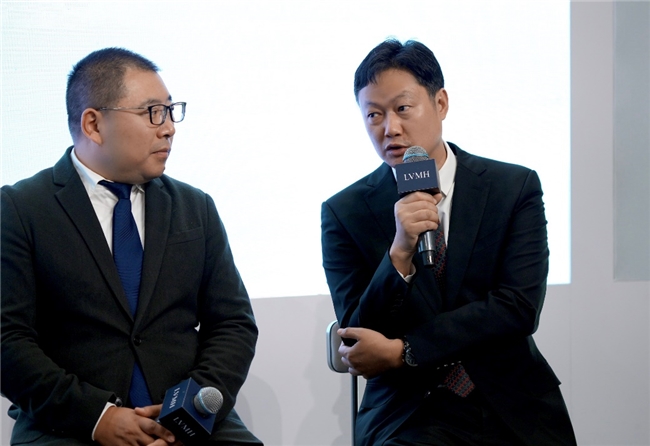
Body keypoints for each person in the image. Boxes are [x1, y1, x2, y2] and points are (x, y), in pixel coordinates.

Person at [321, 39, 577, 445]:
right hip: (407, 411)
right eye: (373, 115)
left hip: (510, 401)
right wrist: (399, 253)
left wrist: (407, 349)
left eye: (403, 108)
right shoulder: (344, 211)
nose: (390, 128)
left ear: (440, 103)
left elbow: (518, 307)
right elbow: (358, 336)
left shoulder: (512, 187)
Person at [1, 48, 262, 445]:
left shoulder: (195, 207)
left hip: (187, 421)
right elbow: (7, 339)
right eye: (152, 112)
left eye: (171, 111)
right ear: (93, 124)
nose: (169, 128)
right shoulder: (21, 209)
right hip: (71, 426)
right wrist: (98, 418)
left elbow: (233, 323)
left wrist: (186, 413)